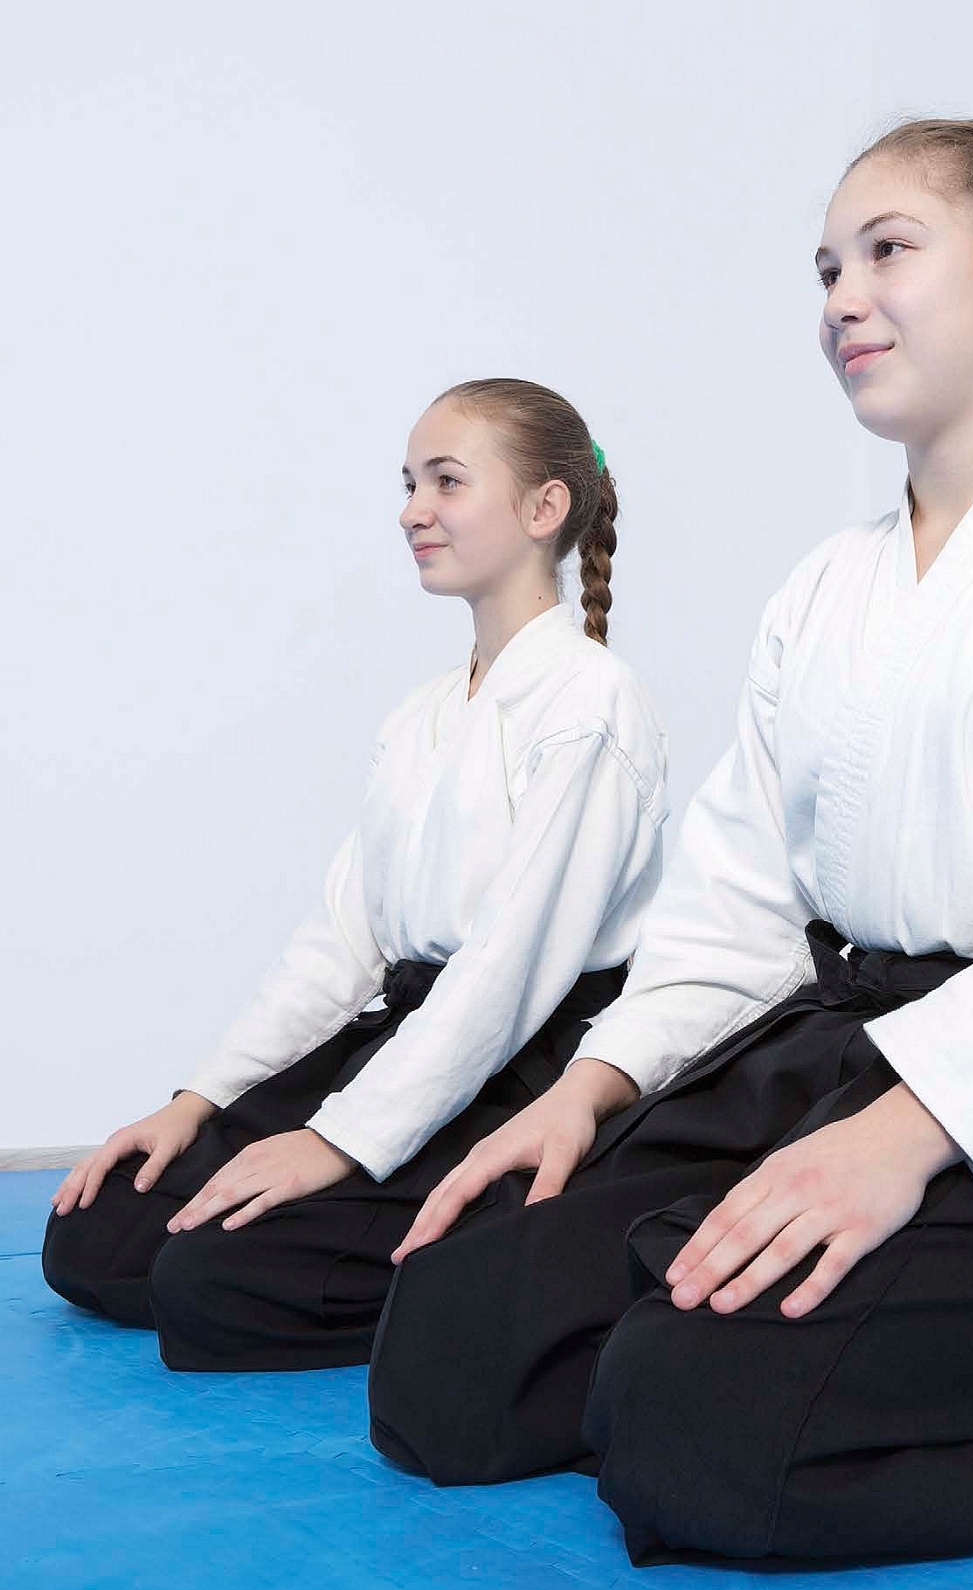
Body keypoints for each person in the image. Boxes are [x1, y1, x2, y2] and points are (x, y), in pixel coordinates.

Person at [367, 122, 973, 1564]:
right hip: (840, 1039)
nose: (843, 297)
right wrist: (590, 1092)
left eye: (890, 251)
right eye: (827, 268)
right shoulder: (825, 589)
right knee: (449, 1347)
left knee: (696, 1427)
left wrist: (904, 1138)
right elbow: (734, 898)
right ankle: (916, 1333)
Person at [43, 378, 668, 1374]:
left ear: (544, 508)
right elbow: (340, 942)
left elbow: (505, 976)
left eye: (446, 481)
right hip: (405, 1035)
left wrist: (335, 1145)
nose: (412, 509)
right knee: (92, 1235)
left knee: (206, 1283)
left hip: (517, 1058)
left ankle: (483, 1263)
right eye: (409, 482)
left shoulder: (592, 702)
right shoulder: (420, 714)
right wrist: (197, 1101)